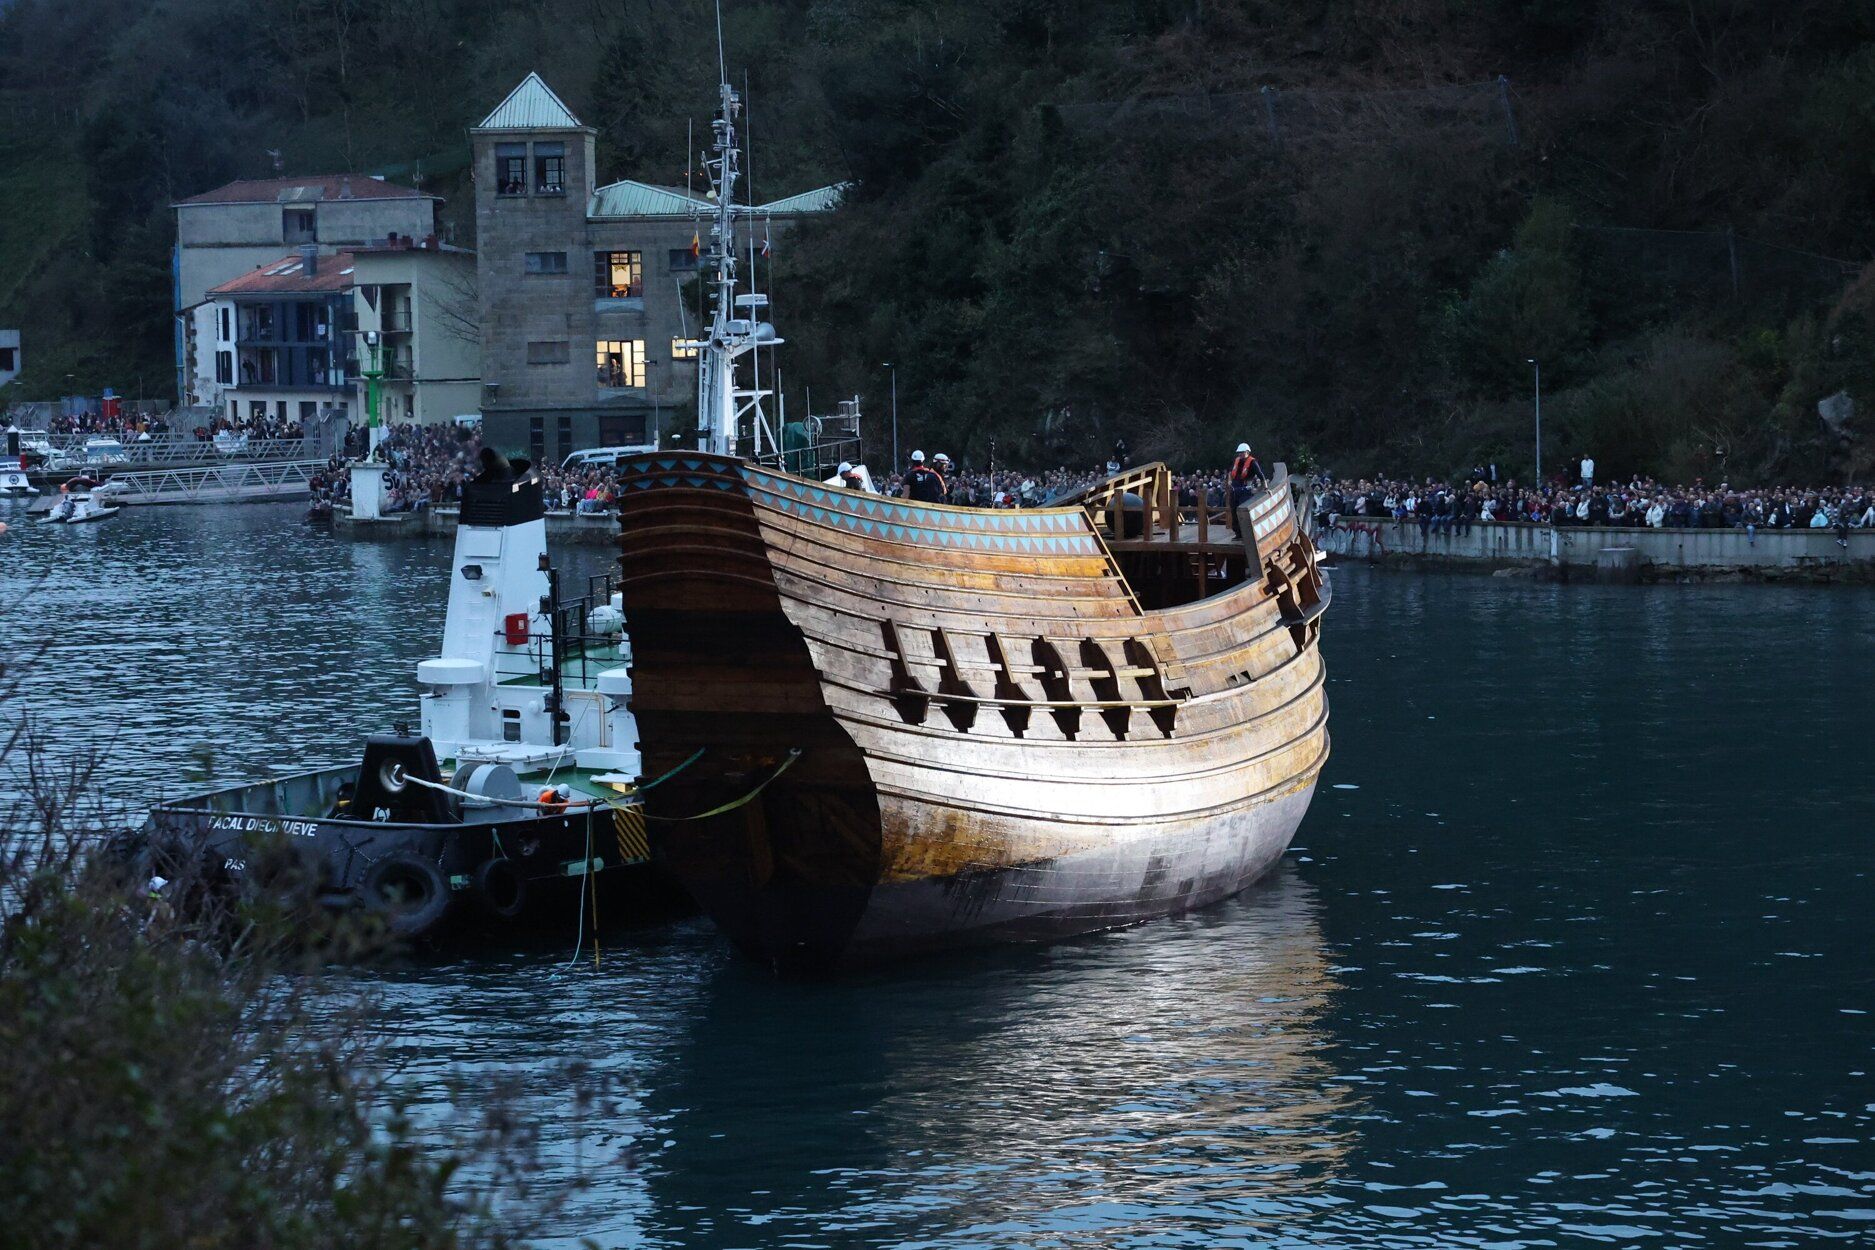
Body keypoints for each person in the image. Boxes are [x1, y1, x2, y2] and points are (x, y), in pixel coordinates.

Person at [1228, 442, 1265, 534]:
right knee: (1234, 511)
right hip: (1235, 489)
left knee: (1243, 511)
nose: (1240, 454)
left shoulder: (1252, 462)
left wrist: (1264, 487)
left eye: (1242, 452)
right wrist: (1229, 481)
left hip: (1245, 489)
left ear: (1247, 452)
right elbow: (1230, 472)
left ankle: (1247, 533)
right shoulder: (1237, 460)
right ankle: (1238, 533)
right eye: (1239, 452)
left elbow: (1260, 475)